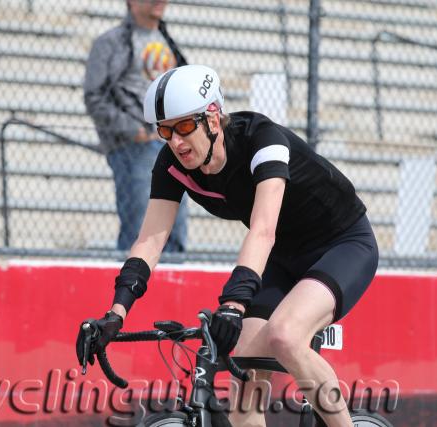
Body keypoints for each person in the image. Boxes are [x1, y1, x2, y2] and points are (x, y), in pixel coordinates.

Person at [77, 65, 379, 427]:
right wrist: (116, 313)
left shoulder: (263, 141)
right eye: (165, 130)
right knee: (246, 368)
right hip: (283, 255)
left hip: (341, 244)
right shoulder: (173, 163)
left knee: (284, 335)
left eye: (185, 126)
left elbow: (263, 230)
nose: (175, 141)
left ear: (214, 118)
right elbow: (150, 240)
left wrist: (234, 304)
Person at [83, 0, 188, 252]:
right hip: (135, 148)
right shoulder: (109, 42)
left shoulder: (167, 39)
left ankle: (171, 289)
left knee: (175, 231)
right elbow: (94, 97)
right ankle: (131, 288)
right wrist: (134, 131)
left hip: (173, 147)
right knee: (140, 233)